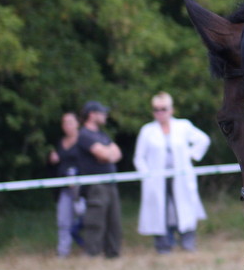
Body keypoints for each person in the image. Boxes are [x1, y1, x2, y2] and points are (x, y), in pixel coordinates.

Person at [133, 91, 211, 253]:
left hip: (180, 177)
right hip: (157, 180)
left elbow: (203, 140)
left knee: (184, 208)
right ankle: (163, 245)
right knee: (160, 211)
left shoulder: (183, 126)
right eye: (156, 109)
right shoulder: (147, 131)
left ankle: (188, 243)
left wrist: (190, 156)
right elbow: (139, 157)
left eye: (163, 109)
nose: (160, 113)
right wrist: (147, 175)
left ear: (171, 109)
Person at [76, 100, 123, 258]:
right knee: (96, 221)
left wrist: (107, 154)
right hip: (96, 186)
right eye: (102, 112)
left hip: (110, 183)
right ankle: (92, 253)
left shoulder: (101, 134)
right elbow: (103, 154)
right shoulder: (84, 134)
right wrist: (107, 154)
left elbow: (117, 153)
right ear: (92, 115)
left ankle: (112, 253)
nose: (105, 115)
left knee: (114, 222)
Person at [46, 111, 85, 257]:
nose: (66, 125)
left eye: (69, 122)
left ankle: (88, 246)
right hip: (64, 187)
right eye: (64, 123)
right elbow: (55, 165)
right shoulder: (60, 142)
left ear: (77, 123)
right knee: (63, 220)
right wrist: (52, 160)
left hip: (81, 187)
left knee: (86, 218)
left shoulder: (84, 140)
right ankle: (63, 251)